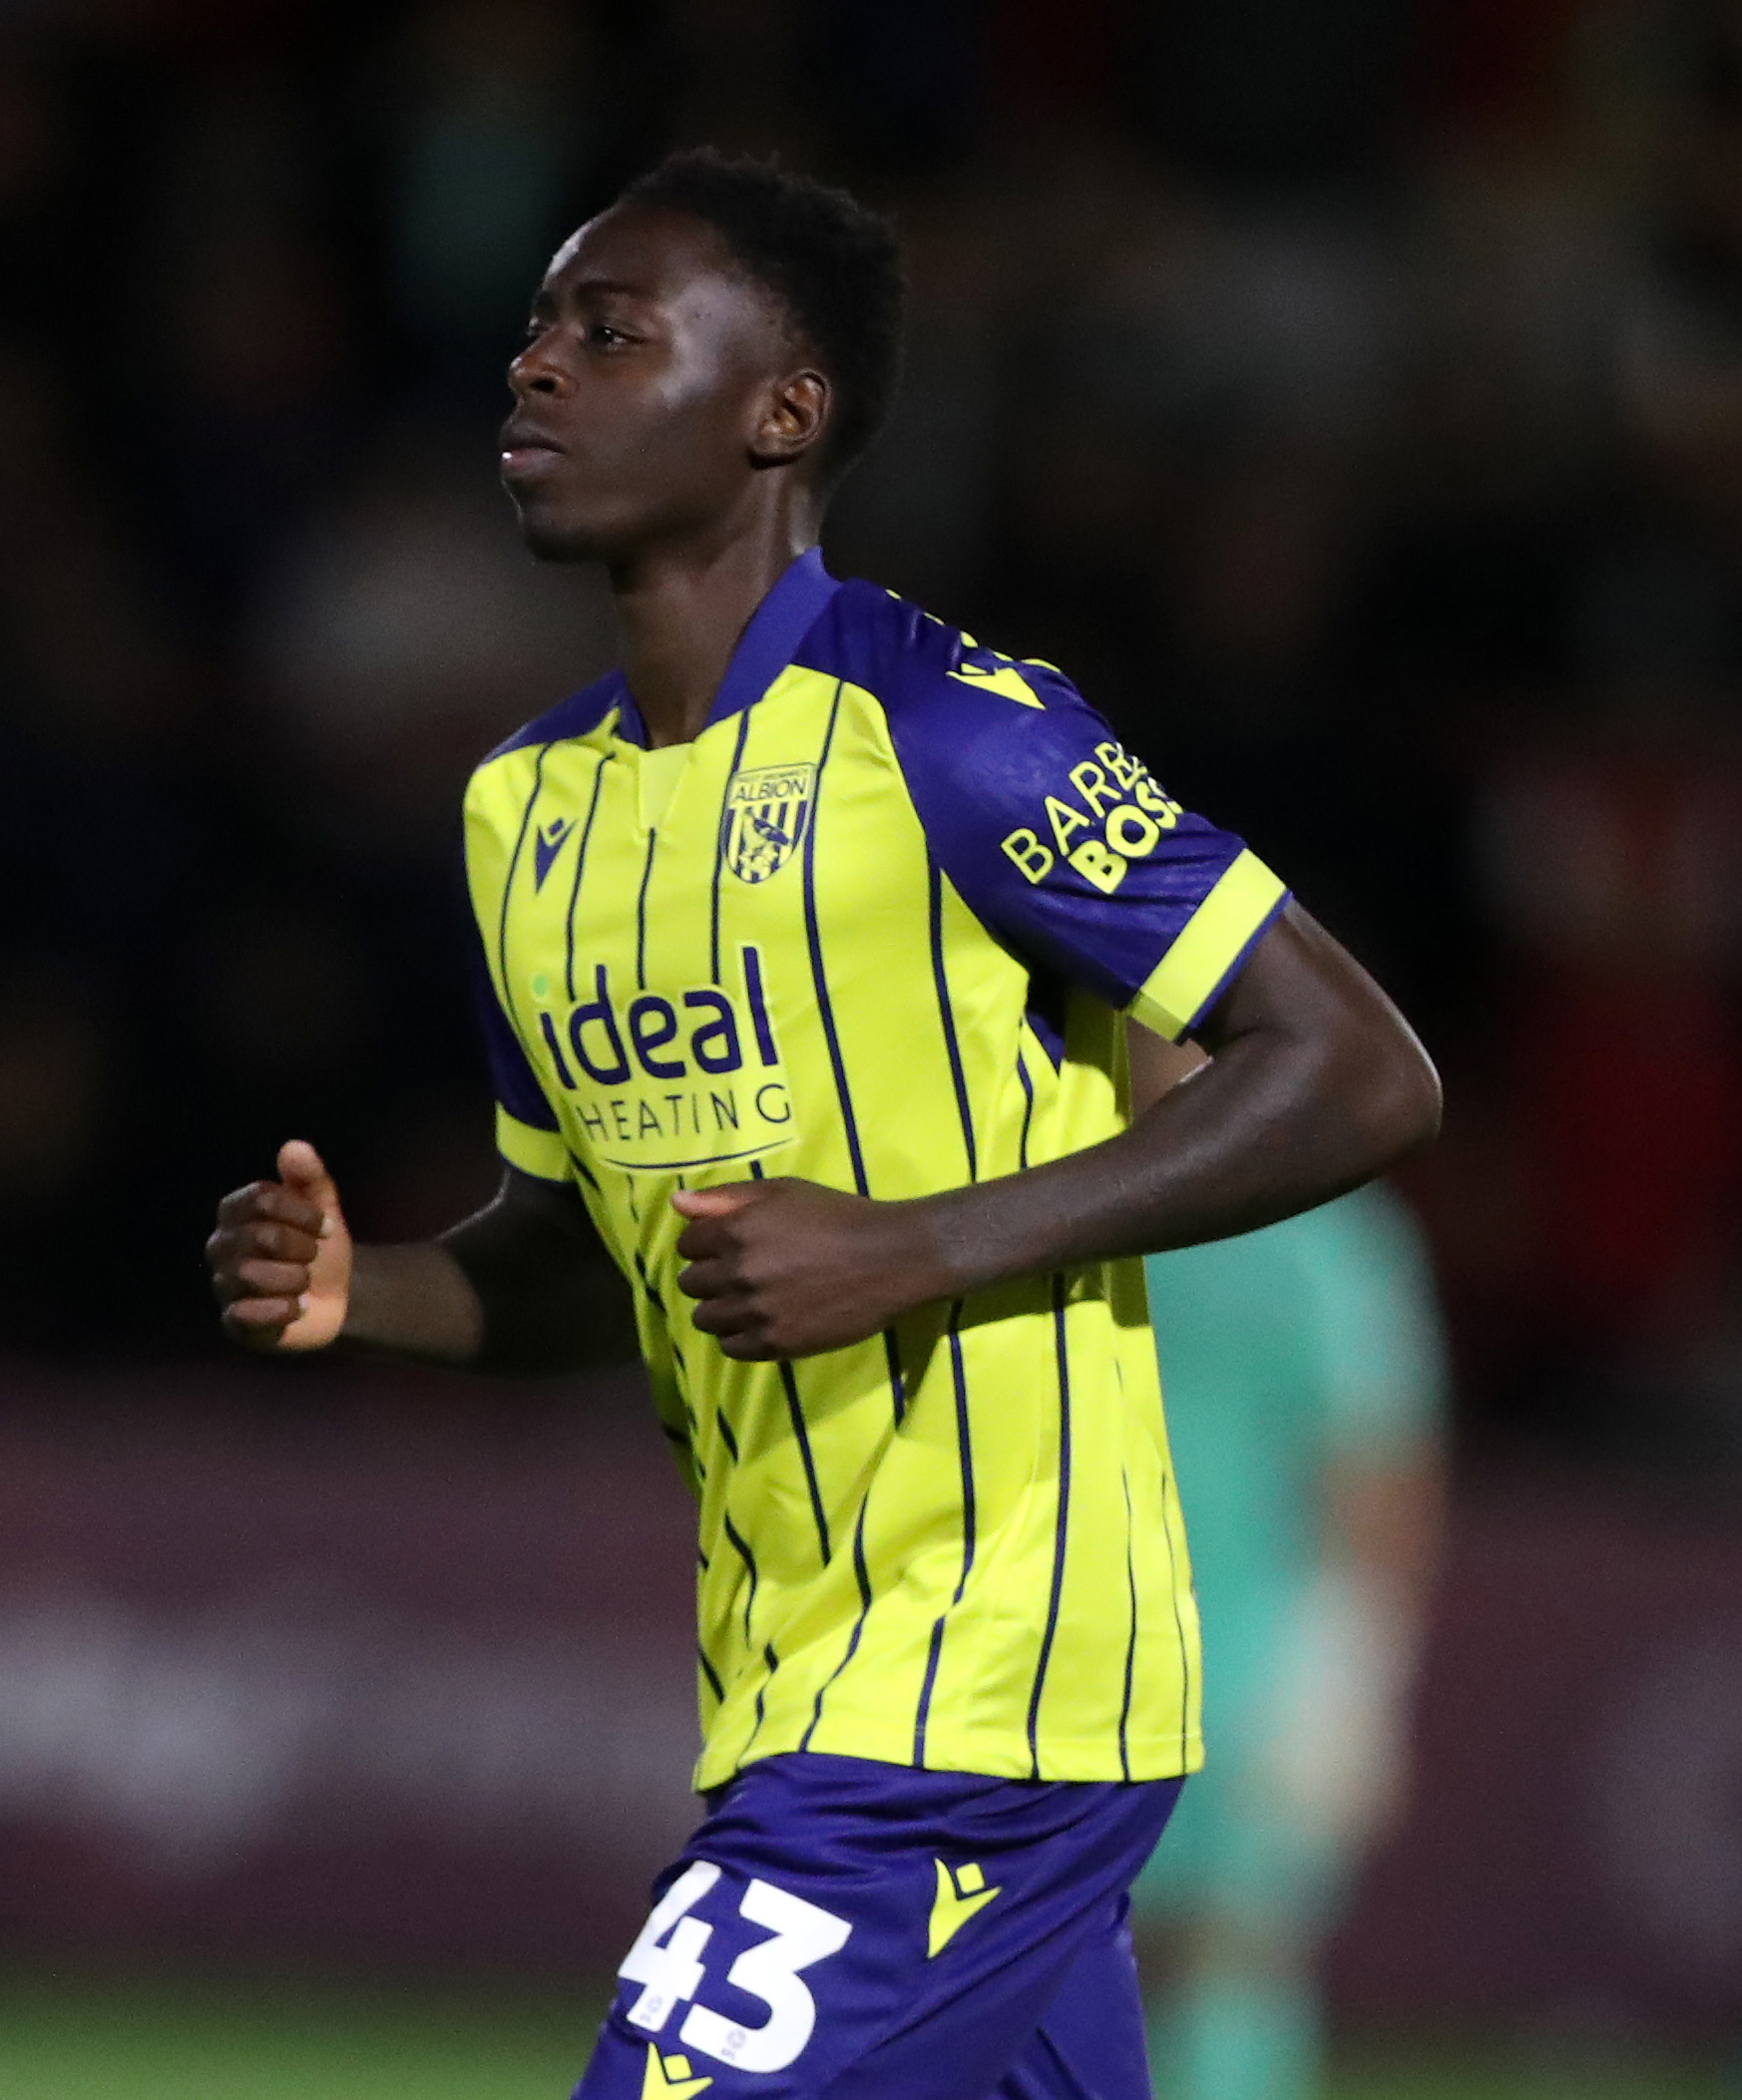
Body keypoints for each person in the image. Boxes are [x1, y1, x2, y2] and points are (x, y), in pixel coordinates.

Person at [204, 149, 1441, 2100]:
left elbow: (1359, 1068)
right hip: (789, 1678)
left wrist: (917, 1239)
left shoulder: (956, 730)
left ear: (782, 408)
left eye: (609, 333)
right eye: (536, 328)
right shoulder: (518, 815)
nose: (534, 368)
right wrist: (376, 1290)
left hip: (983, 1696)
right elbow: (570, 1260)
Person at [1121, 1032, 1446, 2100]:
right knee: (1079, 1952)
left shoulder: (1319, 1230)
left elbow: (1377, 1464)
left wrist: (1352, 1669)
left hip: (1248, 1652)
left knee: (1231, 1954)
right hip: (1080, 1633)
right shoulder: (1068, 1198)